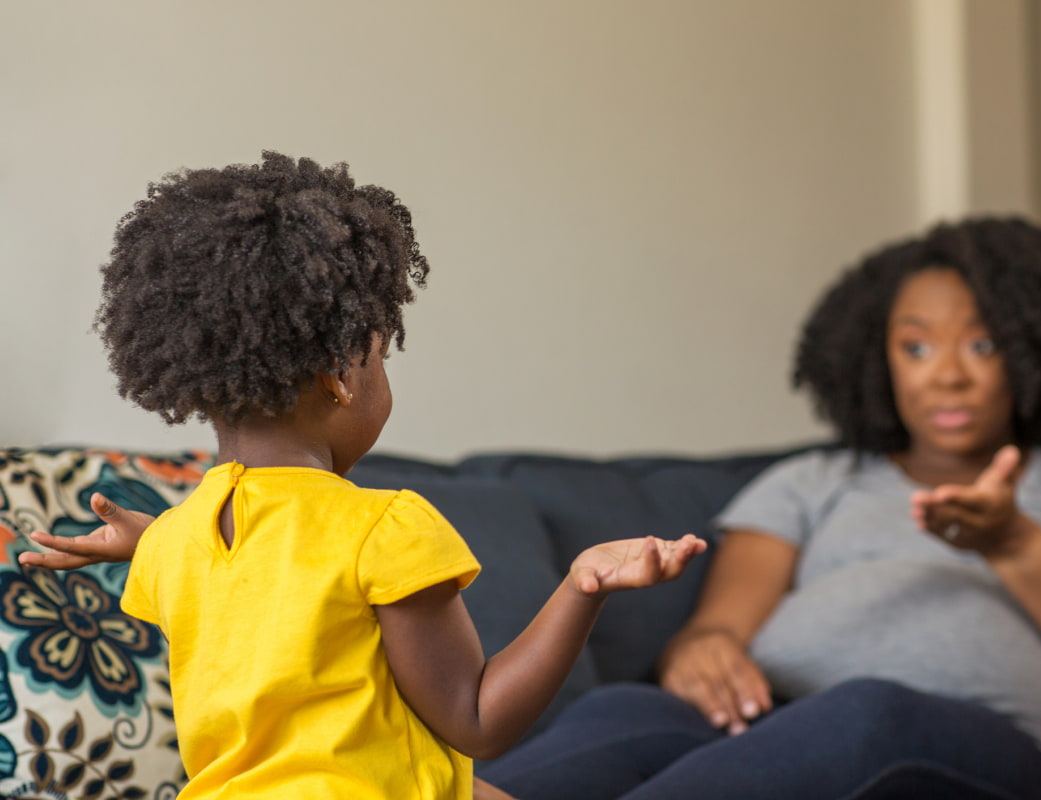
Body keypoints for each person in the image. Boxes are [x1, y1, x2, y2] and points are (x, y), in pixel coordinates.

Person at [18, 152, 705, 800]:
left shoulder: (181, 545)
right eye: (380, 356)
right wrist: (583, 585)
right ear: (343, 374)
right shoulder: (381, 528)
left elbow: (263, 586)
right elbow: (476, 718)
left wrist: (159, 539)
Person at [472, 217, 1041, 800]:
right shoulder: (813, 481)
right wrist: (704, 654)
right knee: (626, 712)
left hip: (985, 748)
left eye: (983, 344)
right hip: (761, 725)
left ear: (1040, 354)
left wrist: (1015, 545)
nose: (948, 375)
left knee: (866, 713)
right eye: (916, 347)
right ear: (876, 358)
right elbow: (720, 624)